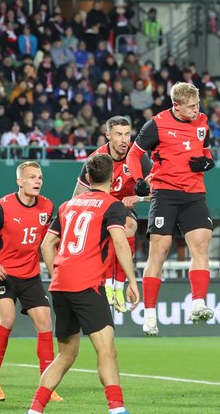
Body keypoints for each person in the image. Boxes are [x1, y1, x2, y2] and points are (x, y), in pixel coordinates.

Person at [27, 153, 140, 414]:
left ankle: (34, 409)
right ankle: (117, 409)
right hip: (87, 285)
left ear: (87, 177)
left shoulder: (67, 205)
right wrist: (132, 281)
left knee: (66, 355)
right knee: (107, 351)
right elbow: (120, 241)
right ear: (112, 178)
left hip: (61, 286)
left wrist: (57, 272)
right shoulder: (113, 205)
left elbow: (47, 245)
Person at [126, 82, 215, 336]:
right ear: (176, 106)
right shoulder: (156, 124)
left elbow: (207, 153)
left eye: (197, 105)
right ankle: (150, 316)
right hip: (165, 193)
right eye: (191, 106)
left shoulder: (202, 122)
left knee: (201, 247)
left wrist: (206, 163)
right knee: (159, 253)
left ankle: (197, 303)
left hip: (195, 194)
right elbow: (134, 154)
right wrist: (138, 180)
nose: (196, 110)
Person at [0, 161, 61, 402]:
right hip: (3, 275)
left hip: (30, 275)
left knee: (45, 323)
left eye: (40, 177)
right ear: (19, 181)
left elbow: (47, 242)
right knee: (7, 320)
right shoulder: (2, 207)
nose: (37, 181)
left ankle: (48, 384)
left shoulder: (47, 206)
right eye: (32, 177)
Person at [73, 116, 148, 313]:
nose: (124, 140)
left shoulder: (138, 156)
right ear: (108, 136)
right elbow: (78, 194)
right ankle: (107, 285)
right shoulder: (97, 158)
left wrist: (137, 198)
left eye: (127, 134)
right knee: (107, 234)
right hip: (100, 206)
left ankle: (119, 287)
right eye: (118, 135)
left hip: (123, 207)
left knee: (129, 227)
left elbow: (156, 191)